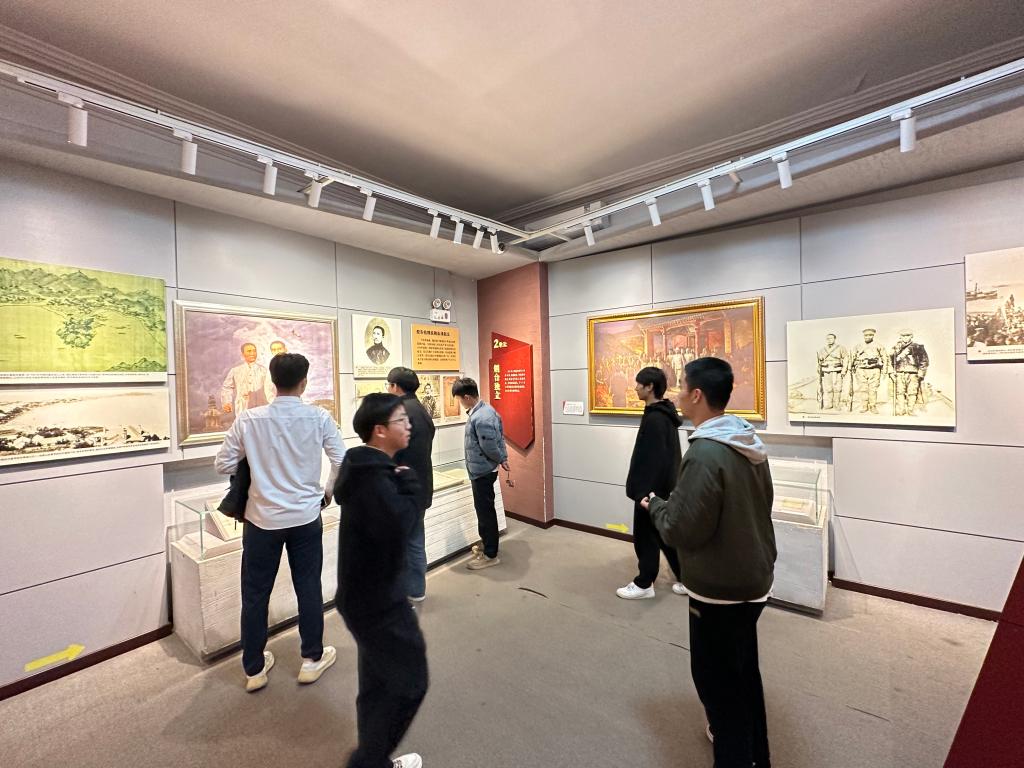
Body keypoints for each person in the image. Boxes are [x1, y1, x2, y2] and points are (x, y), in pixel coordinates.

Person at [643, 357, 776, 768]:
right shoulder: (745, 440)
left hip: (720, 588)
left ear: (697, 394)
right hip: (753, 577)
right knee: (744, 672)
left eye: (682, 386)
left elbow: (681, 528)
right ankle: (757, 755)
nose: (677, 393)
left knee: (717, 684)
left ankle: (735, 755)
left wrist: (655, 506)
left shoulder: (705, 453)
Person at [214, 352, 346, 692]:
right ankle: (311, 659)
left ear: (272, 383)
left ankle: (254, 669)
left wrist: (256, 464)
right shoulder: (319, 417)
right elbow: (342, 459)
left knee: (255, 593)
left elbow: (223, 464)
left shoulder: (249, 419)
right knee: (308, 586)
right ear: (304, 382)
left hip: (261, 520)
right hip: (305, 516)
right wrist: (327, 492)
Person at [334, 393, 427, 768]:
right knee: (411, 681)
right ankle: (369, 761)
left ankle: (375, 759)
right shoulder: (375, 480)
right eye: (401, 420)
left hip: (364, 596)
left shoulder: (365, 469)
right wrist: (412, 491)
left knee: (375, 684)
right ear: (379, 430)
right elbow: (398, 529)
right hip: (379, 603)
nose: (409, 425)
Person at [617, 367, 687, 600]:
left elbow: (654, 460)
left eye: (639, 384)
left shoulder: (656, 418)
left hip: (650, 491)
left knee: (646, 538)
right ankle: (687, 579)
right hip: (661, 488)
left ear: (650, 387)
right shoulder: (662, 414)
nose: (636, 387)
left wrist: (645, 494)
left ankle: (644, 583)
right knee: (664, 536)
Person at [387, 367, 436, 603]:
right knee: (416, 540)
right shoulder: (422, 410)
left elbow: (390, 453)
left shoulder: (399, 413)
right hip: (421, 485)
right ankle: (417, 590)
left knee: (401, 543)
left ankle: (402, 592)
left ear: (395, 386)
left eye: (389, 385)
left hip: (401, 489)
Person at [452, 377, 509, 570]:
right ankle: (487, 545)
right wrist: (503, 458)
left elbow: (490, 446)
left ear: (467, 397)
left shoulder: (482, 417)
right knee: (484, 510)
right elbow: (498, 440)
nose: (460, 403)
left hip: (483, 471)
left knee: (485, 513)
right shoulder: (484, 411)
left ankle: (491, 555)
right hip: (483, 469)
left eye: (459, 399)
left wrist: (501, 458)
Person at [221, 342, 270, 414]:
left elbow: (270, 389)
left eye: (254, 351)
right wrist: (227, 402)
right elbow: (227, 387)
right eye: (249, 351)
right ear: (243, 354)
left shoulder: (264, 371)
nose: (252, 353)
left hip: (261, 406)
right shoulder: (235, 370)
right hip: (242, 406)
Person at [890, 329, 929, 416]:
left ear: (911, 336)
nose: (905, 338)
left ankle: (910, 410)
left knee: (912, 392)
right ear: (900, 337)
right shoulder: (896, 348)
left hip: (913, 373)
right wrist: (892, 372)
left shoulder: (918, 347)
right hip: (899, 373)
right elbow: (890, 360)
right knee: (899, 392)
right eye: (903, 336)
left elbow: (924, 361)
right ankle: (901, 410)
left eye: (907, 335)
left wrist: (921, 373)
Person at [850, 328, 887, 414]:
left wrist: (885, 369)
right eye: (866, 335)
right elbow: (852, 357)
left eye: (870, 335)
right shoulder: (858, 346)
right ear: (863, 336)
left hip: (874, 369)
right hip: (861, 369)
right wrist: (850, 368)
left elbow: (885, 358)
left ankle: (872, 406)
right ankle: (864, 406)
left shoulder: (878, 346)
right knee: (863, 388)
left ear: (873, 336)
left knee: (873, 389)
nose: (868, 337)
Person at [815, 333, 848, 410]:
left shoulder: (841, 348)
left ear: (834, 339)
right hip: (826, 370)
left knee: (838, 388)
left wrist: (844, 370)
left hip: (837, 370)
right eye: (828, 339)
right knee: (828, 388)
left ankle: (837, 404)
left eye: (831, 338)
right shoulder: (822, 349)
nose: (829, 340)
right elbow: (819, 361)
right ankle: (829, 404)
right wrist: (819, 369)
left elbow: (846, 358)